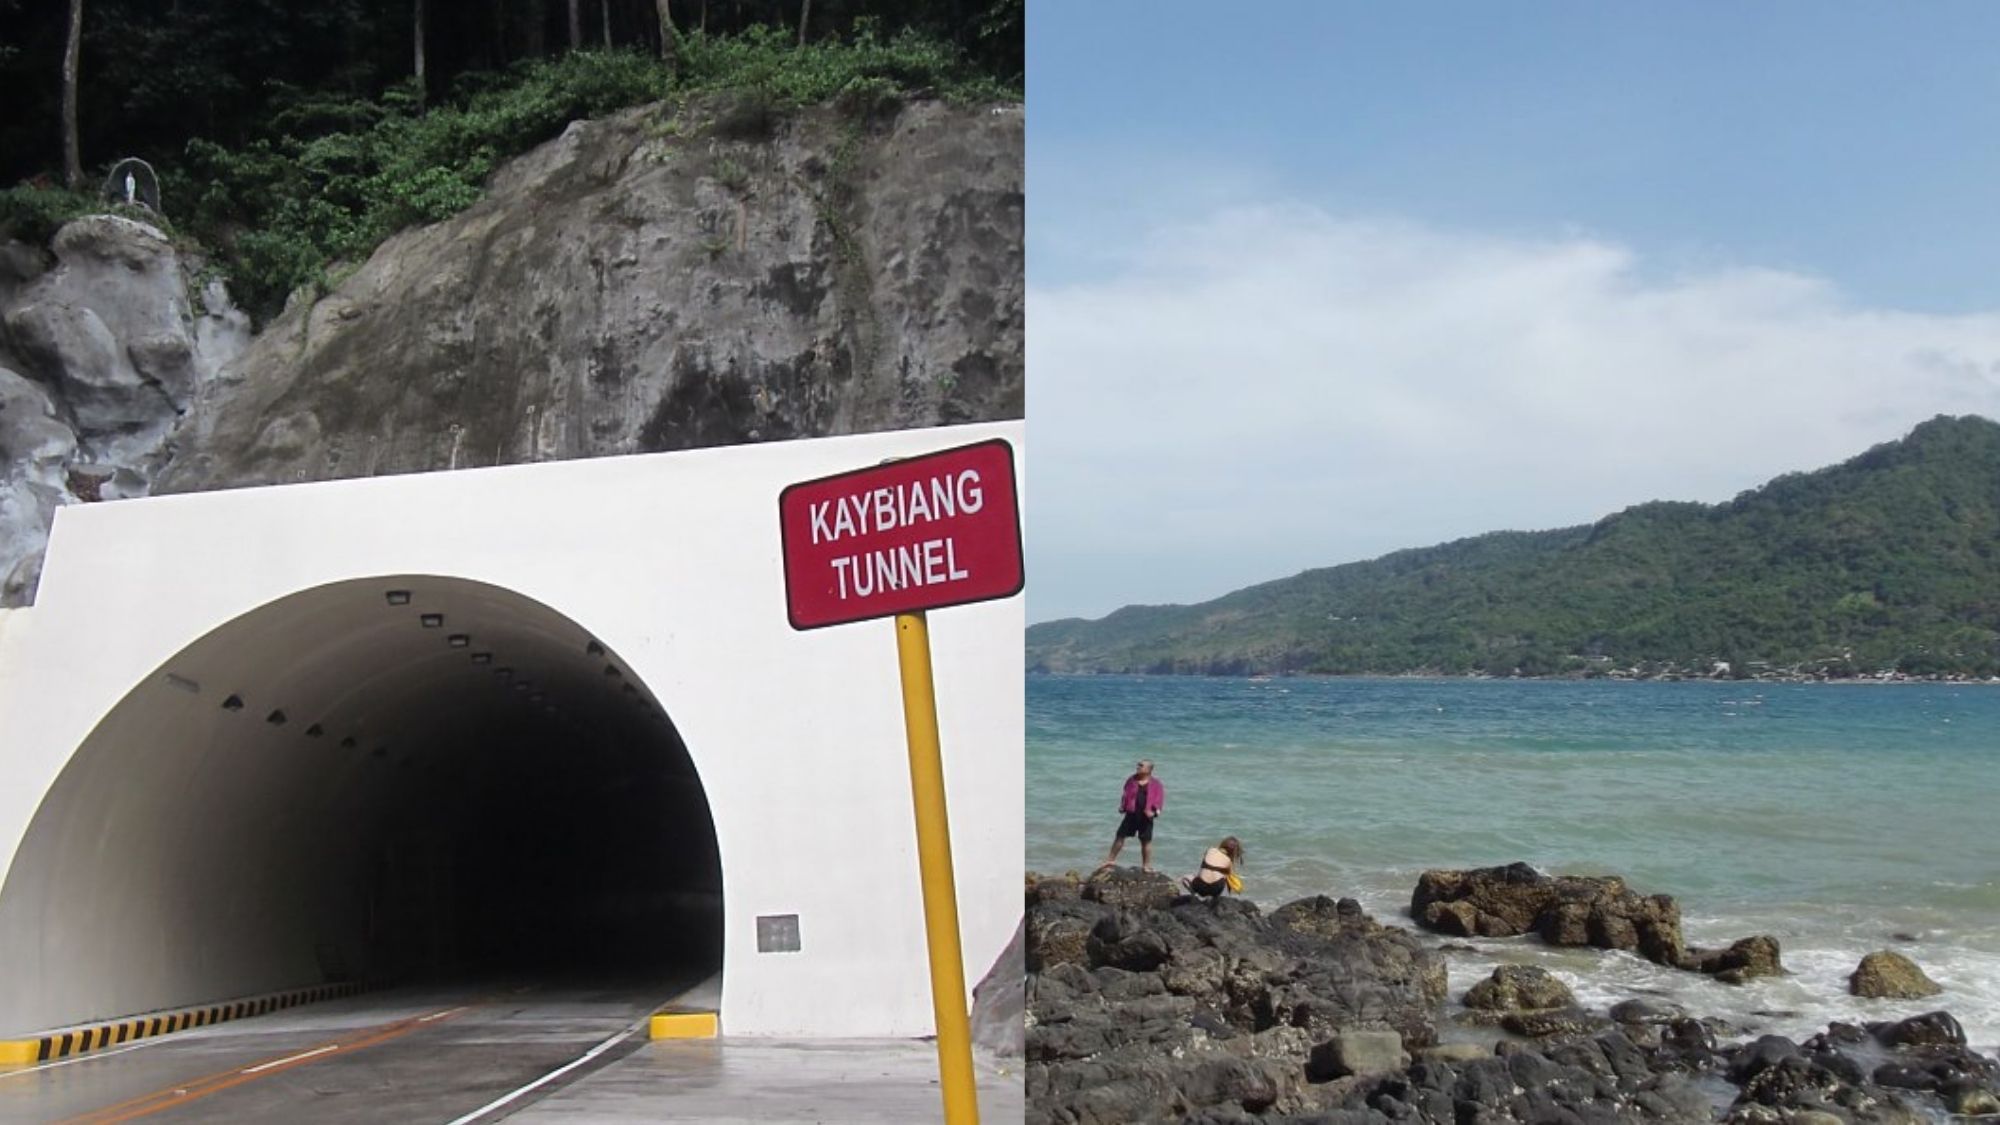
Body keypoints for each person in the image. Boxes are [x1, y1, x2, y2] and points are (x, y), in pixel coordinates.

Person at [1099, 759, 1165, 871]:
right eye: (1138, 765)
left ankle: (1146, 865)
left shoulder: (1156, 784)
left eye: (1141, 765)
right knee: (1120, 836)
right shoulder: (1132, 779)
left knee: (1146, 841)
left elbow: (1159, 799)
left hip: (1146, 815)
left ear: (1149, 769)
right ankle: (1110, 860)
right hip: (1131, 813)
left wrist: (1155, 812)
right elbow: (1125, 793)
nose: (1138, 767)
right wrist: (1122, 806)